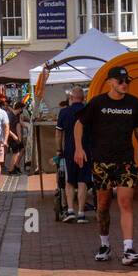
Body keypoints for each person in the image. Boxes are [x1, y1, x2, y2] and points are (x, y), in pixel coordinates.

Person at [74, 66, 138, 266]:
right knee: (103, 205)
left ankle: (128, 249)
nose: (124, 84)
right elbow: (79, 124)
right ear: (110, 82)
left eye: (127, 81)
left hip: (125, 162)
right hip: (101, 162)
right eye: (120, 81)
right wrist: (79, 149)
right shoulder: (97, 103)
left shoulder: (135, 104)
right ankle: (104, 244)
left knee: (125, 203)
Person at [56, 86, 91, 223]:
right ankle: (81, 213)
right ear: (83, 99)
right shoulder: (88, 111)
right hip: (86, 150)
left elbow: (59, 134)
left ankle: (70, 210)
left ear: (71, 98)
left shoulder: (64, 112)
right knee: (83, 181)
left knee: (70, 181)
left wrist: (59, 150)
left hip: (70, 150)